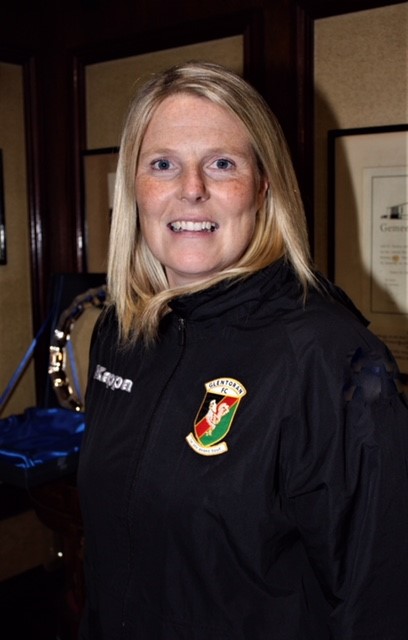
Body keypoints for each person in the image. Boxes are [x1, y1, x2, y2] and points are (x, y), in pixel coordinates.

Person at [77, 61, 408, 639]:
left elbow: (379, 600)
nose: (192, 189)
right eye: (163, 164)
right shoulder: (121, 330)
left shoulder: (330, 357)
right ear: (134, 187)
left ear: (264, 185)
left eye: (222, 163)